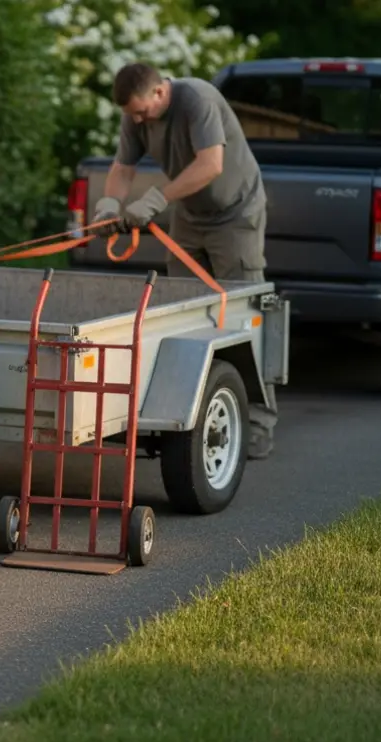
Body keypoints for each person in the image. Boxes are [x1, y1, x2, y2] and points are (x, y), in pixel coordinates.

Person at [90, 62, 276, 460]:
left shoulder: (198, 99)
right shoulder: (135, 116)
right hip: (190, 218)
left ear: (160, 92)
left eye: (142, 111)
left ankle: (258, 423)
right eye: (132, 115)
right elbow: (123, 167)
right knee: (183, 310)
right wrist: (108, 204)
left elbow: (211, 164)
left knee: (242, 312)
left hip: (236, 216)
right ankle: (189, 413)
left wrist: (156, 199)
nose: (138, 120)